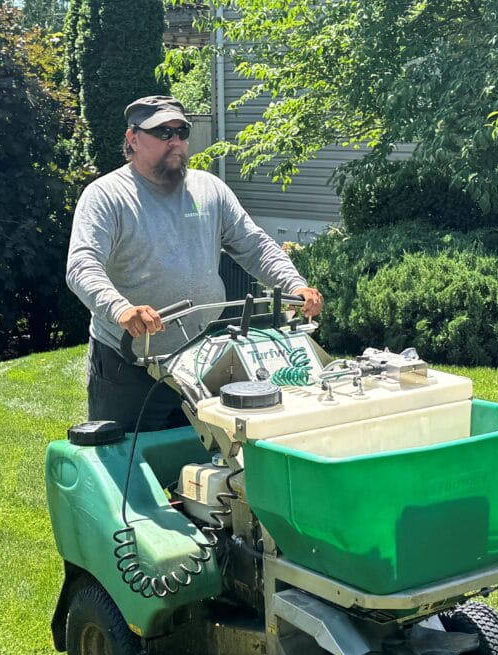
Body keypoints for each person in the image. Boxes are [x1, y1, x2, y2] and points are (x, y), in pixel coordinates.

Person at [67, 95, 323, 430]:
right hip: (129, 361)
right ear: (132, 139)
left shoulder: (209, 189)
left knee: (208, 463)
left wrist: (294, 284)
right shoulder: (107, 196)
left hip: (202, 359)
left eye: (181, 132)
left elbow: (255, 245)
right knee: (129, 465)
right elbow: (82, 265)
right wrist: (120, 308)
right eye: (162, 133)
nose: (174, 141)